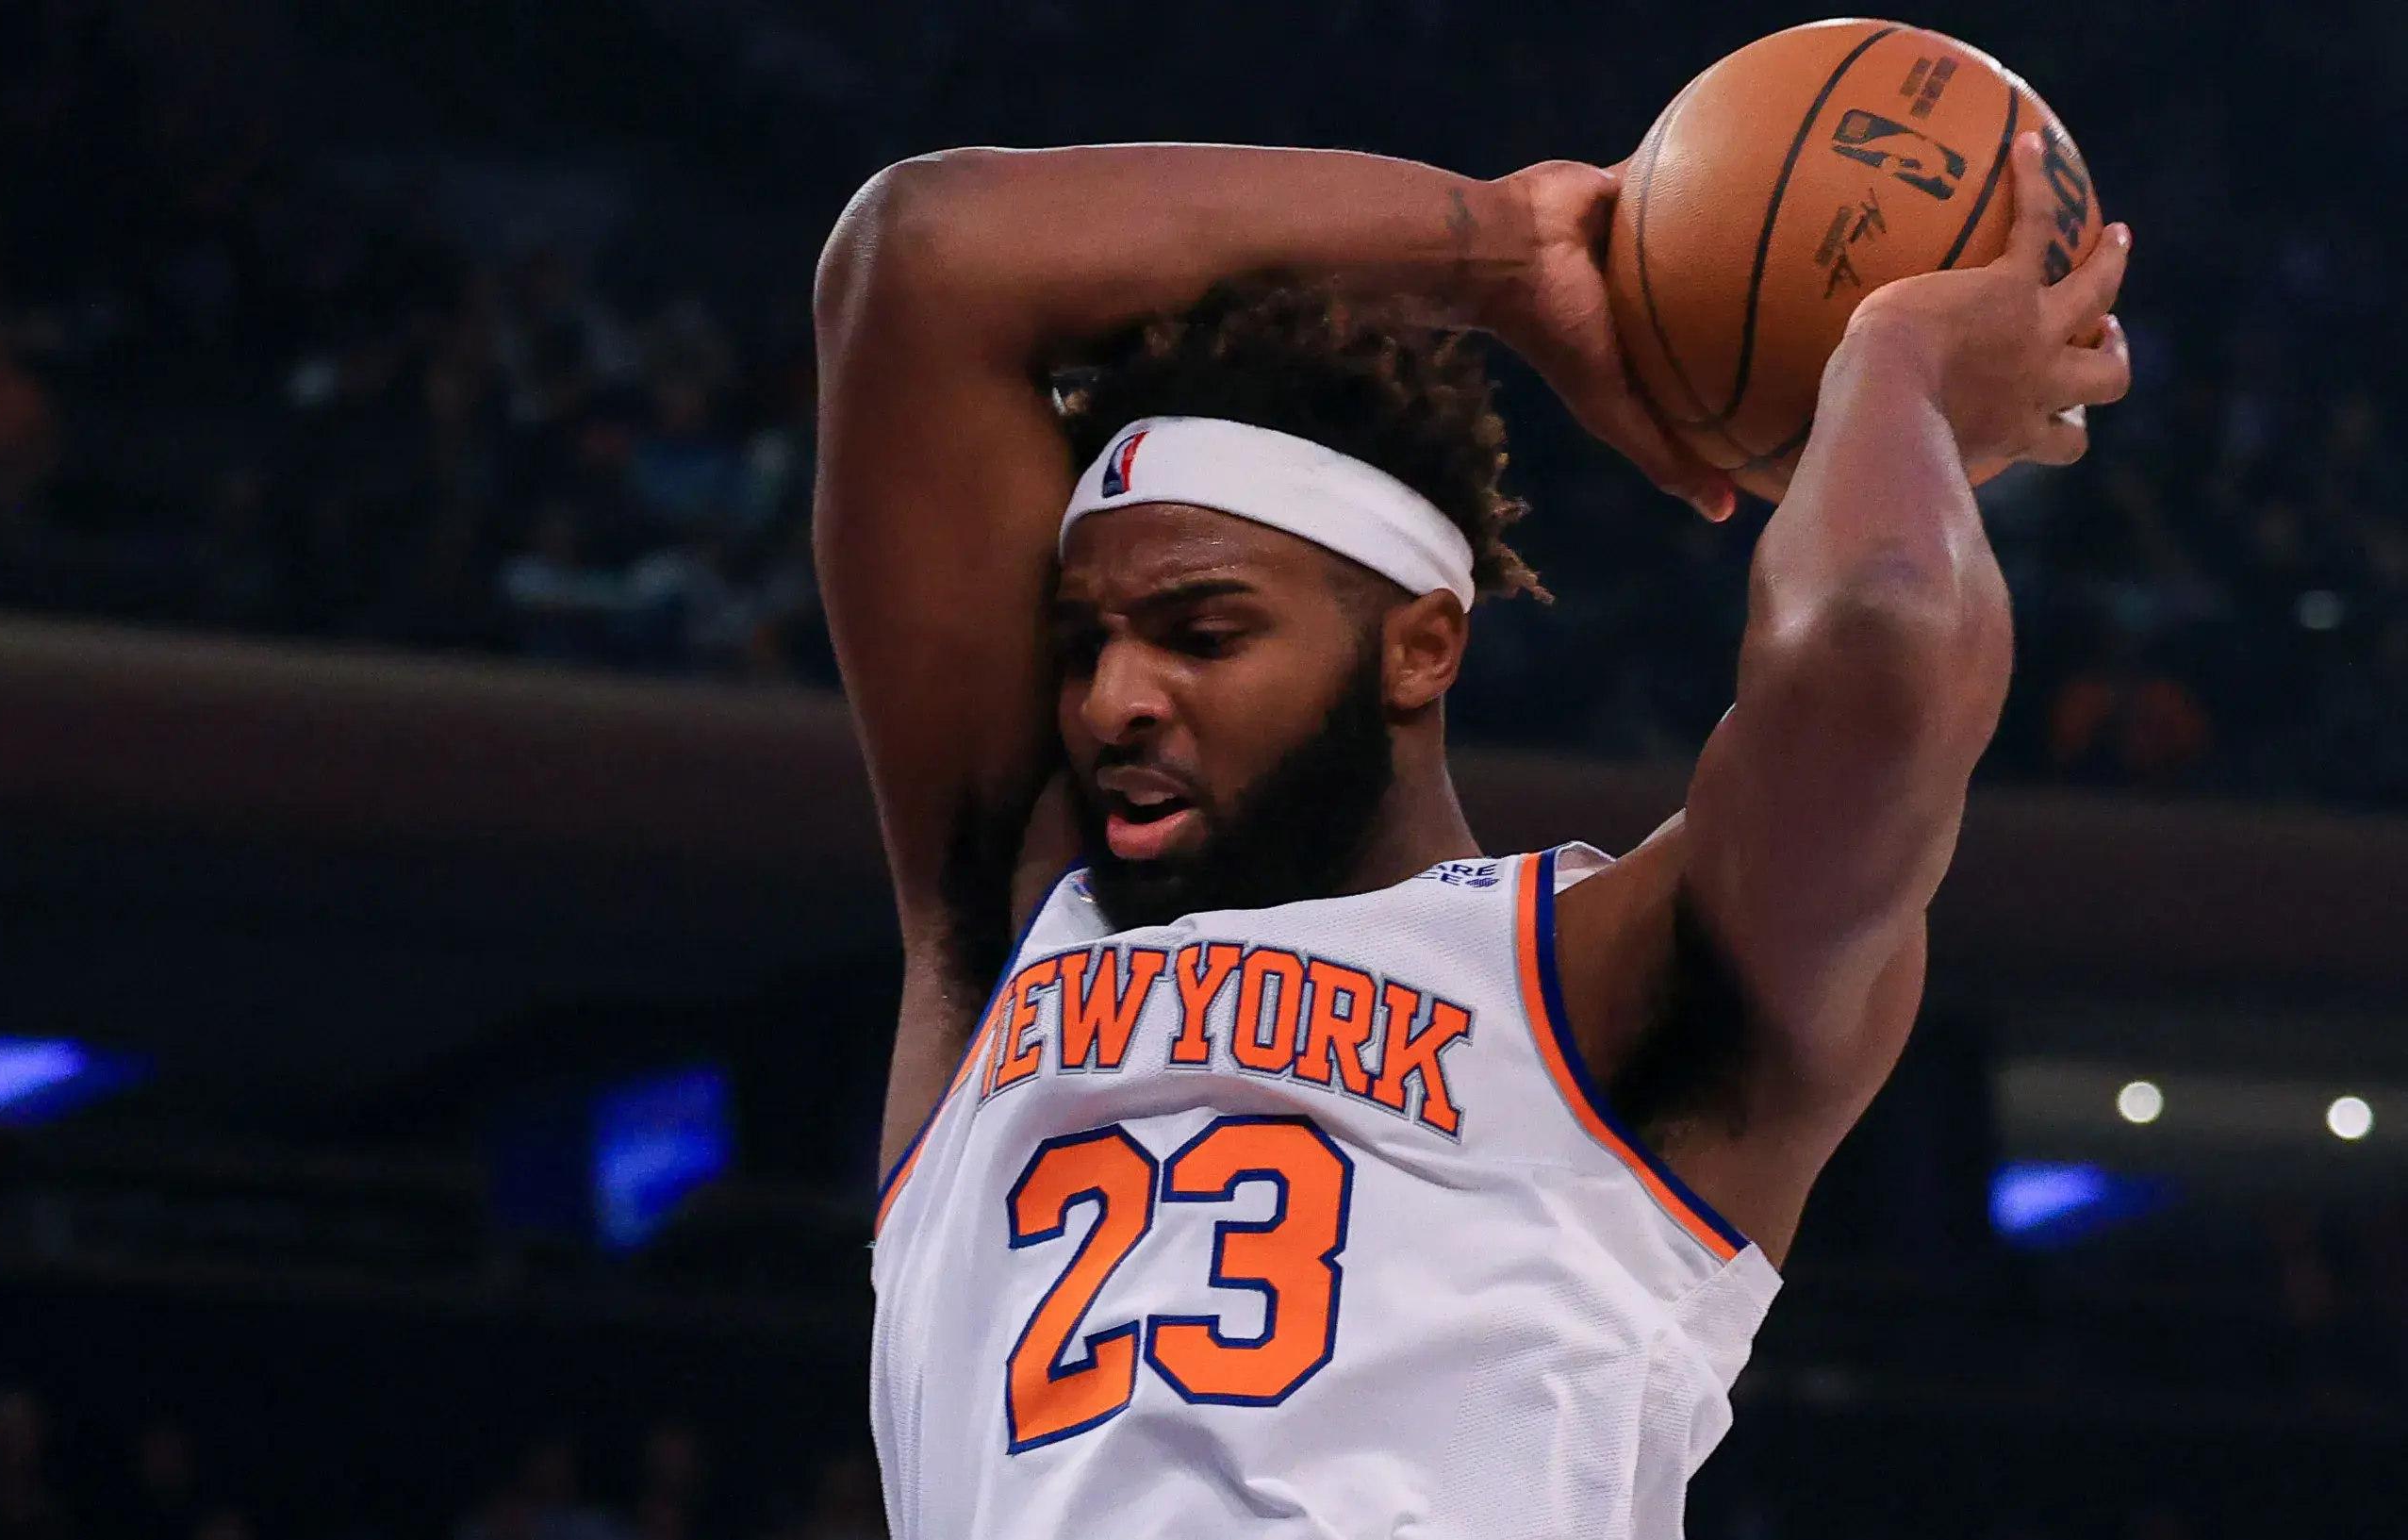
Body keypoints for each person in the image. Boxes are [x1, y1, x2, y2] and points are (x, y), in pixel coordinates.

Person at [816, 132, 2128, 1540]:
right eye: (1082, 646)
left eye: (1204, 634)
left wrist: (1893, 370)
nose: (1112, 702)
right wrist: (1503, 256)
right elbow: (928, 251)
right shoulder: (1008, 926)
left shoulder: (1605, 984)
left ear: (1419, 647)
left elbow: (1876, 645)